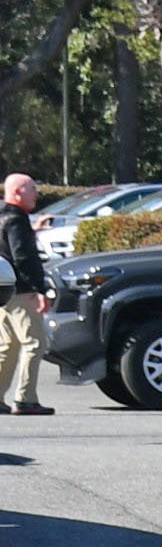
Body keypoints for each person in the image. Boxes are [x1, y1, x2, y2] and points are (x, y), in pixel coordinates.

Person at [0, 172, 49, 414]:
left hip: (4, 289)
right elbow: (22, 257)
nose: (36, 194)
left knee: (7, 345)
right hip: (21, 291)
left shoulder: (5, 216)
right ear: (18, 192)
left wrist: (34, 231)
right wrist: (39, 290)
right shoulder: (16, 220)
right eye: (31, 188)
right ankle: (26, 399)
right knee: (34, 343)